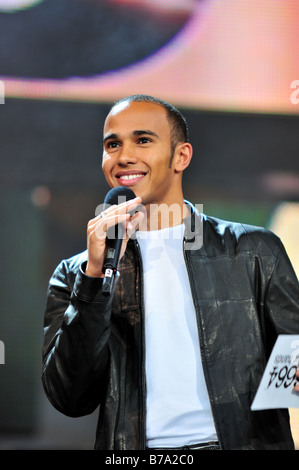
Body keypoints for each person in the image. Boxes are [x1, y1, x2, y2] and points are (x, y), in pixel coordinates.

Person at [42, 94, 299, 450]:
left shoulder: (253, 249)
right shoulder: (77, 273)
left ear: (182, 156)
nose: (124, 155)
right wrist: (95, 277)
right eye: (112, 144)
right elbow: (71, 398)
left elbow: (294, 354)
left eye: (143, 140)